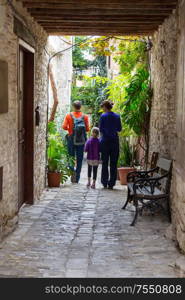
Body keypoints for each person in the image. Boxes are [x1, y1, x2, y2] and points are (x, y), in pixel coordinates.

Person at [62, 101, 90, 183]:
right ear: (80, 107)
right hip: (81, 140)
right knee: (80, 159)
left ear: (73, 107)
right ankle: (77, 178)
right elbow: (87, 129)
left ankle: (72, 176)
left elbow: (64, 127)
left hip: (71, 138)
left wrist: (70, 130)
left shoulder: (68, 115)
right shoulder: (85, 117)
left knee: (71, 157)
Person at [100, 100, 122, 189]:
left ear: (105, 107)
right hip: (114, 142)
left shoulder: (103, 116)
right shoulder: (117, 116)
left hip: (105, 141)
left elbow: (101, 129)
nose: (102, 109)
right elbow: (119, 129)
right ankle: (111, 183)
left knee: (105, 163)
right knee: (113, 163)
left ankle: (104, 182)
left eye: (103, 107)